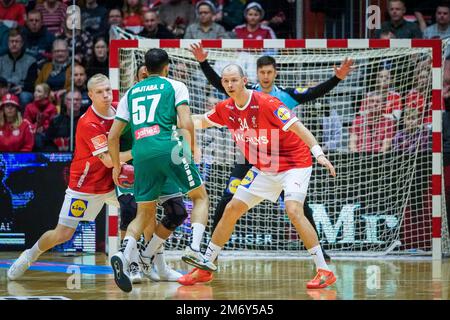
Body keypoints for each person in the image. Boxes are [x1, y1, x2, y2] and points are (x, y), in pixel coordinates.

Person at [187, 43, 354, 266]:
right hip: (252, 157)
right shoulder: (236, 95)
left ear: (275, 73)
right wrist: (203, 63)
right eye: (262, 72)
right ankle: (210, 256)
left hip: (285, 156)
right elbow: (221, 85)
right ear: (255, 75)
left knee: (298, 208)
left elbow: (313, 94)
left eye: (269, 72)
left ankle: (320, 256)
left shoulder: (282, 96)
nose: (265, 76)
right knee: (229, 201)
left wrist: (337, 79)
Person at [7, 74, 133, 281]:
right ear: (90, 95)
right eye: (100, 92)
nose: (106, 95)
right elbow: (109, 161)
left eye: (108, 90)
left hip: (113, 183)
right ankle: (29, 255)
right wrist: (141, 151)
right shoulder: (88, 123)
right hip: (86, 186)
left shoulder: (120, 110)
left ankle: (137, 262)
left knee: (141, 212)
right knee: (62, 234)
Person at [108, 48, 211, 293]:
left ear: (145, 67)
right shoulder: (175, 85)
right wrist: (191, 151)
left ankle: (125, 255)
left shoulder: (130, 93)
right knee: (200, 197)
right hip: (169, 147)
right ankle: (194, 249)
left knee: (143, 214)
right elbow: (185, 122)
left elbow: (113, 136)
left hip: (141, 153)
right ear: (167, 67)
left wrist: (116, 166)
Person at [0, 28, 37, 109]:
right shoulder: (1, 60)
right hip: (3, 90)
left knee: (24, 97)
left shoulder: (31, 61)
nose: (14, 44)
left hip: (22, 91)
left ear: (22, 43)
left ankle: (24, 121)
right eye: (11, 41)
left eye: (17, 41)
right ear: (8, 43)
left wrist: (23, 88)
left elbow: (33, 83)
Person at [23, 83, 57, 150]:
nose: (35, 93)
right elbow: (26, 122)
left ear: (46, 95)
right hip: (32, 132)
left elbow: (53, 123)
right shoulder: (29, 107)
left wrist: (43, 128)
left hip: (47, 133)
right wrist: (34, 127)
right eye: (35, 91)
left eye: (39, 91)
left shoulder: (52, 107)